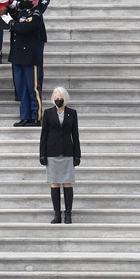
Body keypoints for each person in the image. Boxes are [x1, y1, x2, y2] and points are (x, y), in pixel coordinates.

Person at [39, 86, 81, 224]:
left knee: (68, 183)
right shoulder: (48, 113)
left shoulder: (72, 113)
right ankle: (57, 214)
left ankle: (68, 214)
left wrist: (77, 154)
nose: (58, 101)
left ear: (65, 99)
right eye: (56, 98)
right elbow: (43, 135)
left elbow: (75, 134)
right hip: (52, 152)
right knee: (55, 183)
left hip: (67, 151)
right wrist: (42, 154)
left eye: (61, 98)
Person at [5, 0, 44, 127]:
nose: (29, 0)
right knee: (21, 89)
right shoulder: (22, 13)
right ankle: (25, 116)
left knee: (32, 88)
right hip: (17, 56)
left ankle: (36, 116)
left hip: (29, 56)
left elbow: (25, 27)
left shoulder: (36, 14)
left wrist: (12, 23)